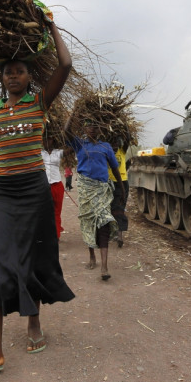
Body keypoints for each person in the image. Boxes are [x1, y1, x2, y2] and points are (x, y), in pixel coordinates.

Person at [0, 20, 75, 377]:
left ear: (28, 77)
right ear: (2, 78)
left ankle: (34, 323)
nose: (13, 76)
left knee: (34, 258)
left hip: (35, 192)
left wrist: (52, 26)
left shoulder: (39, 103)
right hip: (4, 195)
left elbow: (65, 65)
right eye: (8, 72)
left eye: (19, 71)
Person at [65, 118, 125, 281]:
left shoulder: (106, 147)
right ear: (84, 129)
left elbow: (115, 169)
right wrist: (74, 114)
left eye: (95, 126)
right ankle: (92, 256)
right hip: (86, 190)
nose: (91, 128)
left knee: (104, 222)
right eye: (88, 126)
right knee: (88, 223)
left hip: (102, 190)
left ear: (100, 129)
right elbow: (66, 131)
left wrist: (122, 188)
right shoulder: (79, 144)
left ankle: (104, 266)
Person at [41, 138, 64, 239]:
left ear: (53, 140)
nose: (47, 142)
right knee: (43, 211)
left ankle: (56, 236)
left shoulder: (59, 152)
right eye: (45, 140)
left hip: (57, 185)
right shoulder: (39, 153)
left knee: (56, 211)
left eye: (49, 139)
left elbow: (73, 147)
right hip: (43, 186)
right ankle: (45, 234)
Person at [108, 138, 129, 247]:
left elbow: (127, 139)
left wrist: (125, 128)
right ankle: (113, 232)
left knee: (119, 208)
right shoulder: (106, 152)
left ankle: (119, 235)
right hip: (109, 183)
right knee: (110, 208)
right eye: (112, 145)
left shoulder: (122, 151)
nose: (114, 147)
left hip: (122, 183)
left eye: (116, 144)